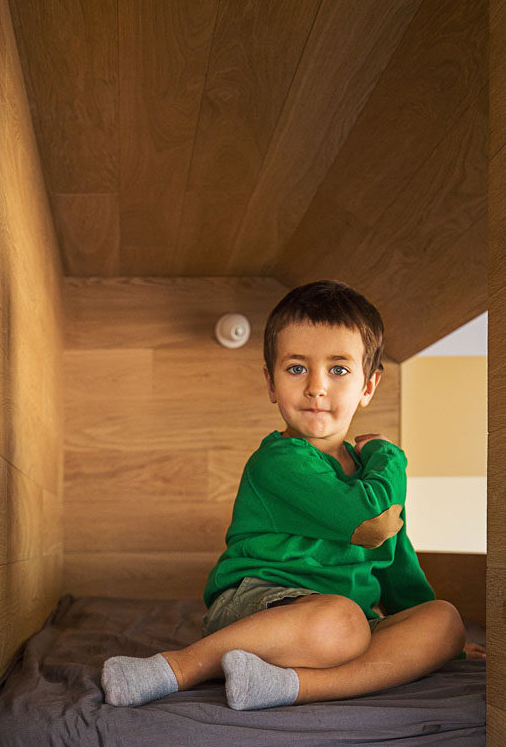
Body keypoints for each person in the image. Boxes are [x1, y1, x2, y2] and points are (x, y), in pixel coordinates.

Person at [102, 279, 474, 711]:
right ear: (271, 383)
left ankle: (287, 685)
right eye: (297, 368)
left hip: (339, 621)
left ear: (368, 387)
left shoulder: (376, 482)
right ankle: (181, 666)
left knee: (445, 621)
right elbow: (371, 525)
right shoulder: (282, 460)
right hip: (261, 603)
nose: (317, 386)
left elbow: (396, 566)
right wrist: (389, 453)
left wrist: (443, 643)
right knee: (344, 624)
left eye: (338, 370)